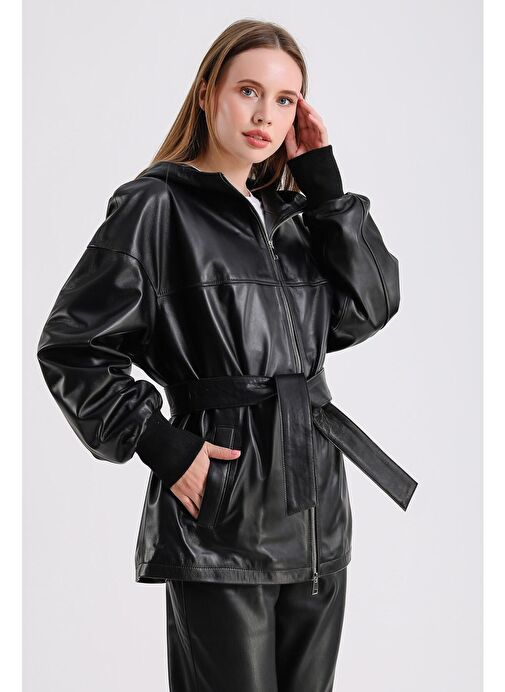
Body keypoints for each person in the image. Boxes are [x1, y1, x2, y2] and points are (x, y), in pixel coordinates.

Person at [37, 18, 418, 692]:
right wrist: (161, 443)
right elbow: (73, 346)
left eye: (284, 99)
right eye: (248, 91)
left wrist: (326, 189)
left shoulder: (297, 218)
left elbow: (370, 307)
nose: (265, 114)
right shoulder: (156, 207)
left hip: (316, 513)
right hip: (222, 512)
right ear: (208, 92)